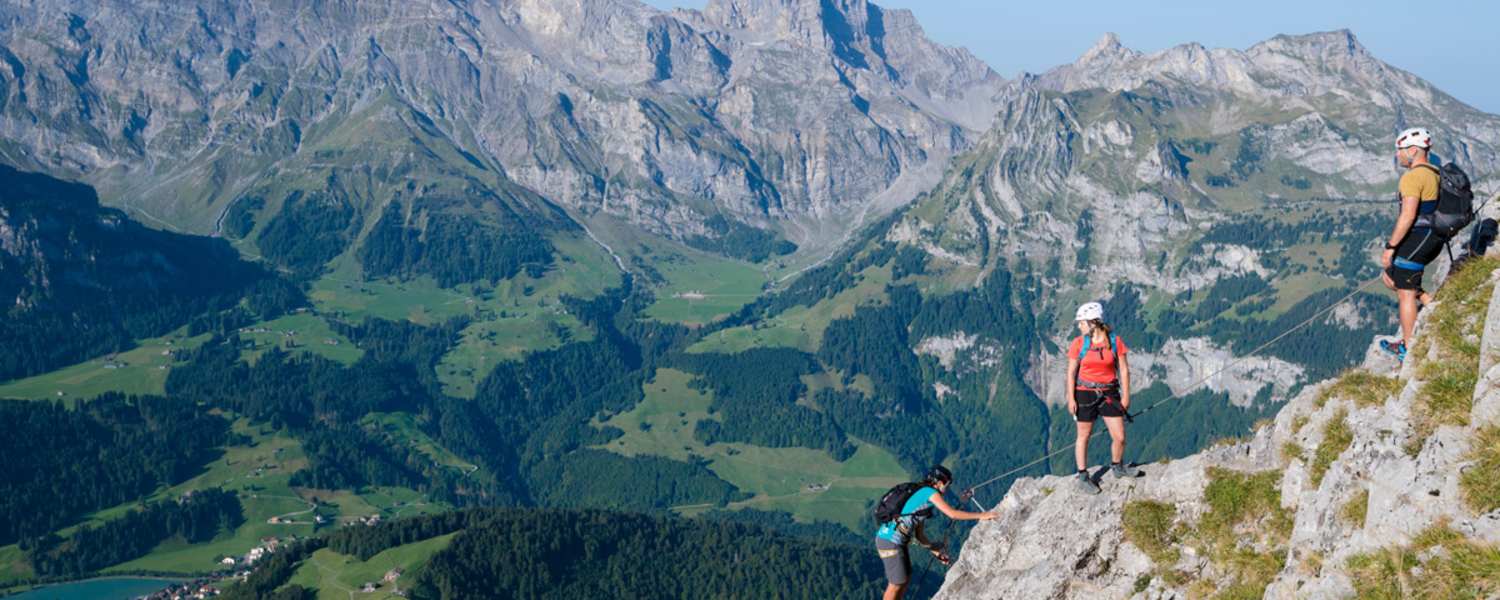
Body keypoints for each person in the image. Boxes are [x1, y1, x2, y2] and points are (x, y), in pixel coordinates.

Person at [875, 465, 998, 600]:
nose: (947, 488)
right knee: (896, 583)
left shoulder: (922, 496)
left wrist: (936, 551)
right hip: (891, 542)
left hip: (891, 540)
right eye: (947, 484)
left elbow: (920, 536)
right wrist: (982, 515)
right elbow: (952, 514)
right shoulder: (929, 493)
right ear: (939, 482)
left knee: (904, 579)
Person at [1379, 127, 1442, 363]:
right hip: (1430, 238)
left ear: (1413, 150)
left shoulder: (1413, 177)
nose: (1398, 156)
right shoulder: (1433, 172)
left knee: (1405, 292)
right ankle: (1430, 303)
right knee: (1394, 278)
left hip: (1417, 238)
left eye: (1401, 151)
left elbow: (1407, 216)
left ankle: (1408, 348)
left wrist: (1390, 247)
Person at [1066, 302, 1139, 495]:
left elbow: (1123, 369)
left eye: (1081, 322)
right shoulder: (1079, 344)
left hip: (1109, 393)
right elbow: (1071, 372)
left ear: (1093, 322)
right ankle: (1082, 476)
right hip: (1084, 392)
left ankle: (1117, 467)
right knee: (1084, 436)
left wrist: (1126, 396)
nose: (1079, 326)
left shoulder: (1114, 341)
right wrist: (1071, 398)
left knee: (1120, 437)